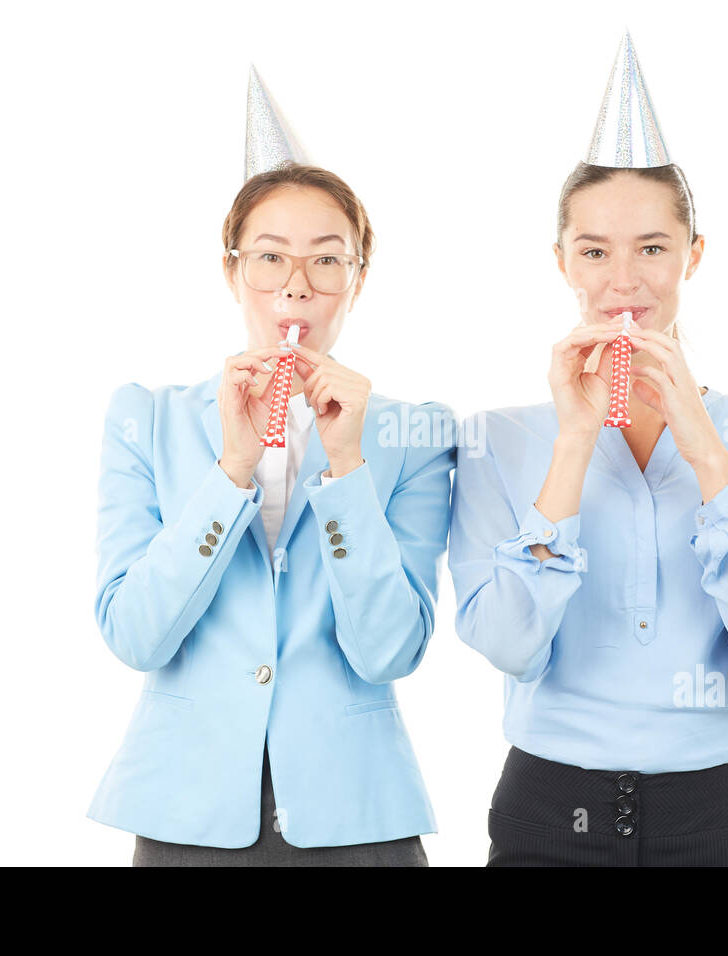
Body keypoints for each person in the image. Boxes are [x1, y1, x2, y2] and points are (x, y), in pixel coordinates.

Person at [447, 33, 728, 866]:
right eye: (594, 251)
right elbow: (509, 646)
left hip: (717, 810)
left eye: (653, 248)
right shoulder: (494, 439)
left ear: (693, 256)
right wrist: (574, 445)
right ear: (562, 263)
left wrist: (704, 450)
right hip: (547, 810)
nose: (622, 281)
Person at [86, 68, 454, 866]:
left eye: (328, 261)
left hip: (357, 818)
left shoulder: (416, 435)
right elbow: (135, 635)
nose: (296, 286)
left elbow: (390, 652)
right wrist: (233, 469)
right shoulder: (144, 419)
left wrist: (348, 466)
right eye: (270, 258)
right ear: (231, 271)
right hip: (188, 815)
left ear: (358, 279)